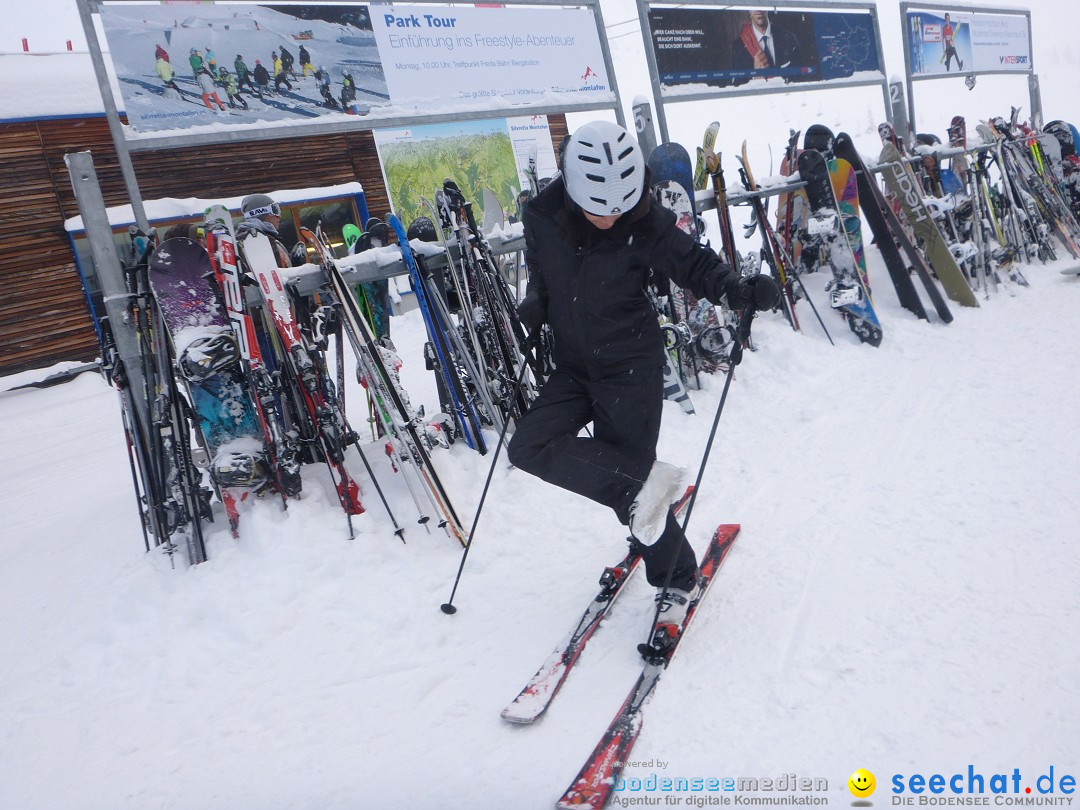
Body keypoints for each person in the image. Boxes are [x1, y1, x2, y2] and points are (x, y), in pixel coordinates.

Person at [506, 121, 778, 649]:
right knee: (530, 447)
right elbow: (542, 265)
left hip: (629, 367)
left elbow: (692, 262)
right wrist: (537, 301)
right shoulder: (541, 214)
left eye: (619, 209)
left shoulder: (641, 220)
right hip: (571, 366)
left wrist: (737, 290)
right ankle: (650, 491)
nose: (610, 219)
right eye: (598, 209)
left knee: (631, 490)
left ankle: (676, 577)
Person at [729, 10, 802, 87]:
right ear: (748, 10)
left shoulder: (788, 38)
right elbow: (737, 86)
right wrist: (755, 77)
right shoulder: (738, 46)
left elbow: (802, 77)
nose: (758, 9)